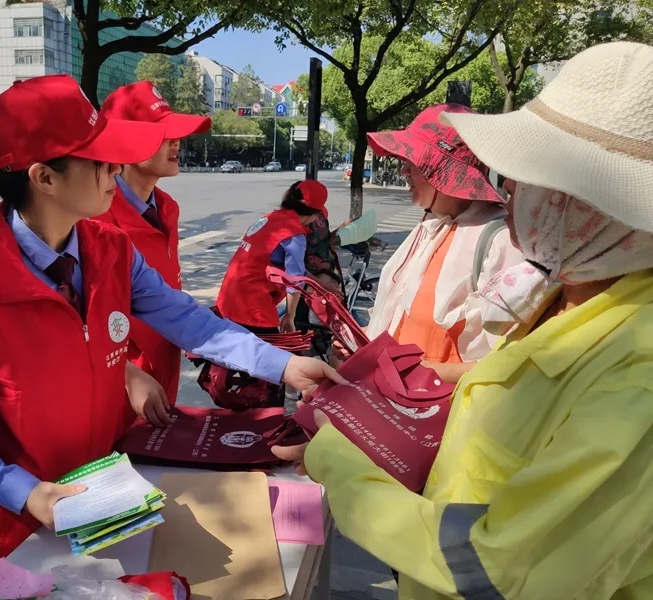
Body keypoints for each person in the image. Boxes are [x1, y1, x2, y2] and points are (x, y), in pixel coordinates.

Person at [0, 75, 343, 585]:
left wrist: (285, 365)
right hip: (14, 530)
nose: (115, 171)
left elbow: (188, 321)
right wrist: (22, 490)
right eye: (100, 162)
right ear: (44, 178)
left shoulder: (110, 252)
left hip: (109, 502)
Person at [274, 41, 653, 599]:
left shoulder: (635, 380)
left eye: (530, 178)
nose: (511, 192)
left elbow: (496, 570)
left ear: (596, 209)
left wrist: (337, 457)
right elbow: (504, 385)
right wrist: (389, 396)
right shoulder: (563, 292)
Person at [338, 104, 526, 383]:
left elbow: (509, 363)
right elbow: (400, 319)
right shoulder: (429, 226)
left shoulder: (499, 240)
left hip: (440, 418)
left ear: (439, 170)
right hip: (392, 406)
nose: (403, 171)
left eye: (411, 162)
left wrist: (420, 373)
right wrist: (360, 344)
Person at [94, 81, 211, 427]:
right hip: (115, 388)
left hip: (163, 377)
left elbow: (167, 294)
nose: (176, 142)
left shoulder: (166, 208)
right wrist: (124, 374)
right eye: (163, 135)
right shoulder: (94, 219)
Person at [216, 180, 328, 334]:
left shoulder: (269, 218)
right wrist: (290, 316)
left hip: (229, 297)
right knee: (272, 355)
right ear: (315, 215)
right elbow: (294, 281)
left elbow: (293, 269)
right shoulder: (294, 234)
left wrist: (320, 284)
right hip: (251, 306)